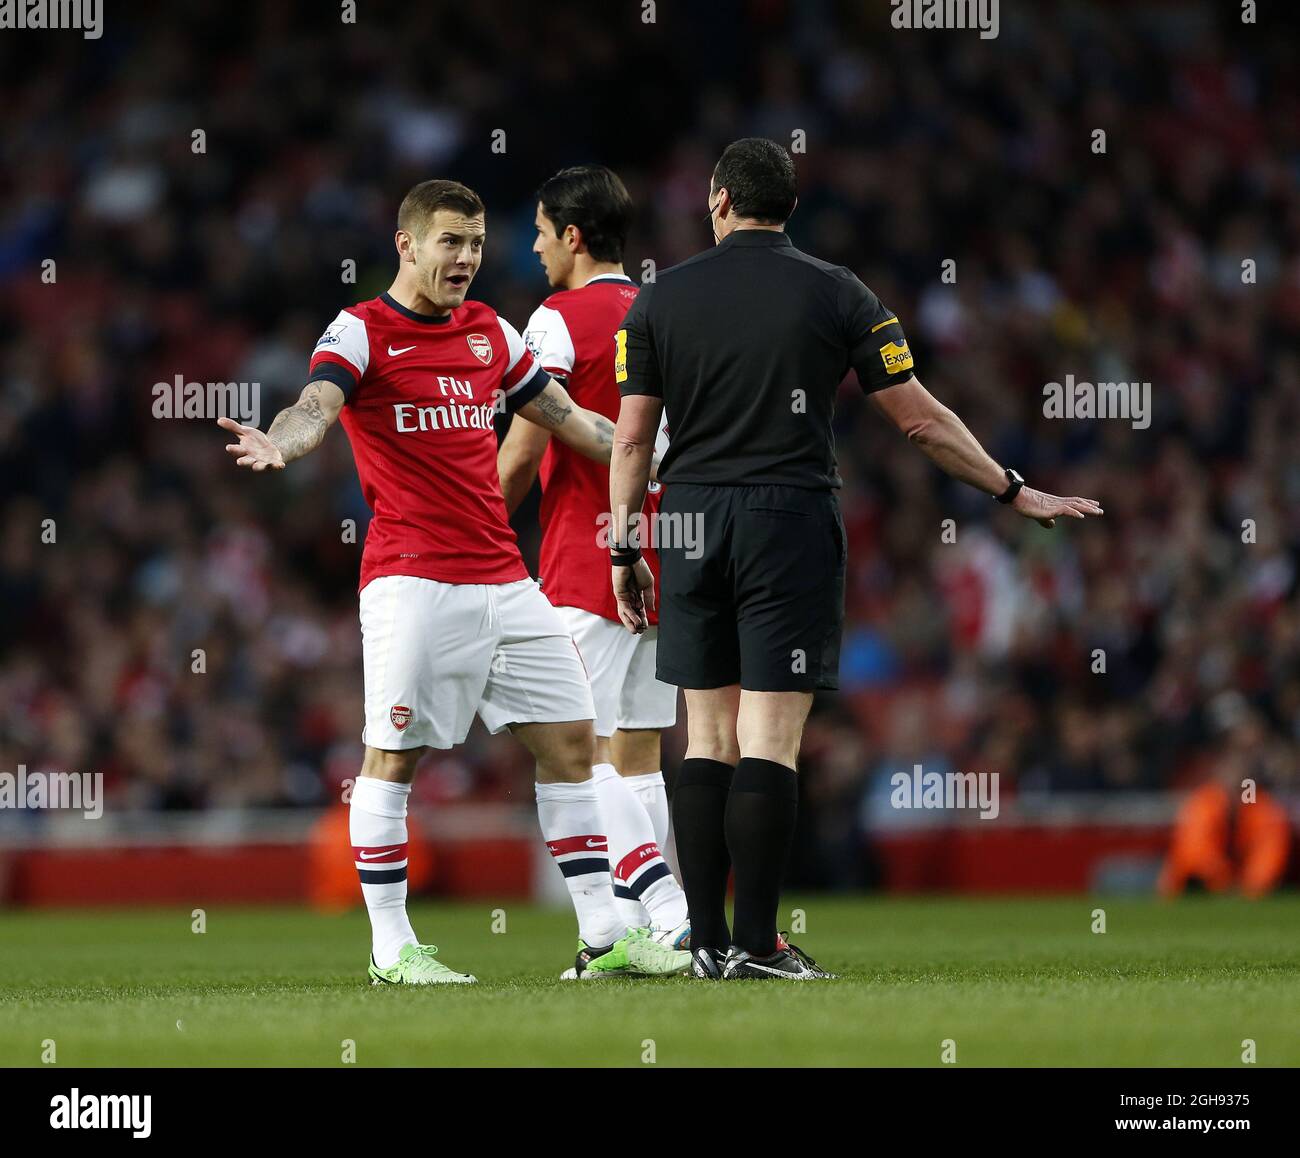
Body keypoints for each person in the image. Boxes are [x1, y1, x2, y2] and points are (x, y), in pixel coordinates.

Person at [608, 138, 1104, 980]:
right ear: (790, 209)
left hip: (686, 520)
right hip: (789, 517)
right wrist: (1012, 489)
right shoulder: (841, 293)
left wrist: (625, 545)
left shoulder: (658, 302)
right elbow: (917, 419)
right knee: (770, 737)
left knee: (707, 737)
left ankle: (705, 942)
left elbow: (630, 437)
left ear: (719, 201)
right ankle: (760, 945)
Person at [219, 179, 690, 983]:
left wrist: (661, 453)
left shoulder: (489, 332)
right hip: (413, 580)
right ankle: (392, 948)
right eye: (449, 243)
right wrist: (284, 443)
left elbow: (571, 422)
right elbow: (316, 404)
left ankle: (605, 937)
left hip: (507, 580)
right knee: (393, 758)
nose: (466, 259)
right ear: (407, 245)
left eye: (475, 244)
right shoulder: (362, 330)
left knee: (576, 746)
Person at [497, 165, 690, 958]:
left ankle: (669, 913)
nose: (536, 248)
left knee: (573, 749)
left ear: (573, 237)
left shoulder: (554, 321)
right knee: (637, 750)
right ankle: (639, 937)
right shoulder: (663, 310)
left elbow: (519, 456)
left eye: (542, 234)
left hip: (587, 556)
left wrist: (469, 531)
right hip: (669, 552)